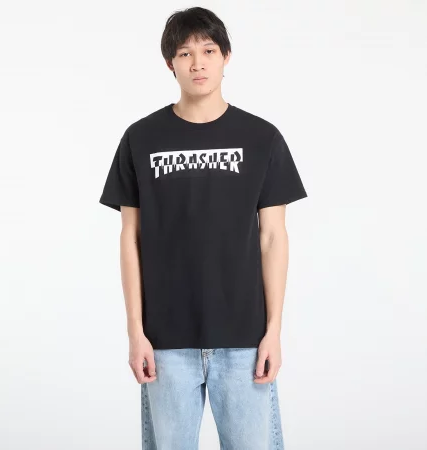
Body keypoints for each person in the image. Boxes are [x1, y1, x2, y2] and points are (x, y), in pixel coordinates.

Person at [99, 6, 308, 449]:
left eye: (208, 50)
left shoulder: (261, 138)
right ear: (170, 64)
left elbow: (273, 237)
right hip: (165, 340)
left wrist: (273, 330)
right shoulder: (141, 139)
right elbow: (130, 238)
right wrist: (135, 331)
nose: (198, 63)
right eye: (185, 53)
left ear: (226, 56)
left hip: (245, 337)